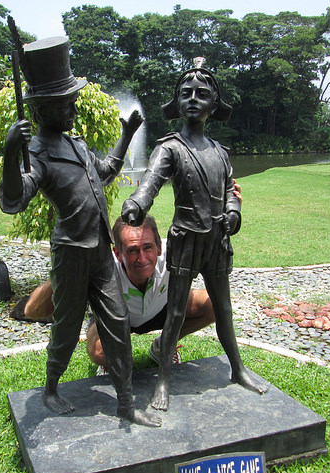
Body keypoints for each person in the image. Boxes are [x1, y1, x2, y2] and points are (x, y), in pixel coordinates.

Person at [0, 37, 160, 427]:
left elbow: (106, 172)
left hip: (100, 253)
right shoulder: (37, 154)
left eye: (73, 100)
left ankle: (126, 403)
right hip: (70, 255)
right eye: (65, 103)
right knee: (67, 328)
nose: (73, 108)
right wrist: (10, 152)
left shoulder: (76, 145)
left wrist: (127, 135)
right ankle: (51, 388)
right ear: (41, 110)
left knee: (117, 322)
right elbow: (13, 200)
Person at [121, 57, 267, 411]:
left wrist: (234, 211)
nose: (193, 99)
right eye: (186, 93)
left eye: (202, 94)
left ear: (214, 104)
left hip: (216, 241)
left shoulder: (220, 152)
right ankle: (163, 379)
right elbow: (151, 182)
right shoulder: (170, 147)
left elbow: (230, 189)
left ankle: (237, 369)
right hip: (186, 240)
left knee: (224, 309)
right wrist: (137, 204)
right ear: (177, 101)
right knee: (175, 314)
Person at [22, 209, 240, 372]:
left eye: (148, 248)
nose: (142, 258)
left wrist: (230, 208)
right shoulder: (101, 268)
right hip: (115, 319)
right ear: (117, 253)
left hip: (162, 307)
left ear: (160, 246)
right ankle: (111, 361)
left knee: (215, 305)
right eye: (132, 250)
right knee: (99, 351)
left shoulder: (175, 254)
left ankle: (163, 346)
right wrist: (66, 270)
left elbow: (211, 239)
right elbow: (33, 310)